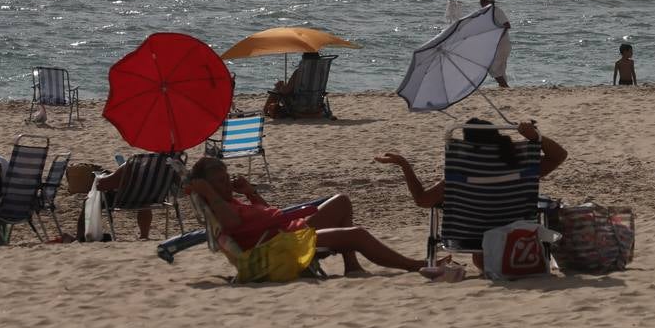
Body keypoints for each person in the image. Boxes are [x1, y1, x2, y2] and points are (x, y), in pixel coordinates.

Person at [185, 157, 425, 275]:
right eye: (220, 182)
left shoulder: (229, 201)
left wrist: (250, 193)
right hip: (281, 245)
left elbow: (264, 214)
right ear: (207, 186)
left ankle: (352, 266)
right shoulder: (220, 208)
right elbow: (235, 224)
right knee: (357, 235)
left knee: (341, 201)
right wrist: (207, 191)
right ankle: (412, 266)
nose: (227, 185)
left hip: (287, 231)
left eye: (227, 179)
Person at [374, 119, 567, 210]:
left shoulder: (465, 170)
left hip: (473, 236)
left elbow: (422, 201)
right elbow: (559, 155)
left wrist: (404, 165)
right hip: (516, 234)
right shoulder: (520, 165)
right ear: (497, 137)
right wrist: (536, 137)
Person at [264, 52, 317, 118]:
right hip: (315, 102)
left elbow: (286, 91)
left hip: (300, 103)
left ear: (305, 60)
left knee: (276, 90)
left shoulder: (299, 71)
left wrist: (280, 86)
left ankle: (265, 112)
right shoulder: (321, 72)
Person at [479, 0, 511, 88]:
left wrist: (496, 38)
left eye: (483, 1)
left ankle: (505, 86)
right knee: (500, 68)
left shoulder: (496, 11)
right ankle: (504, 88)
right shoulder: (487, 13)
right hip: (498, 44)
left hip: (501, 44)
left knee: (492, 67)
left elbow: (507, 25)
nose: (481, 4)